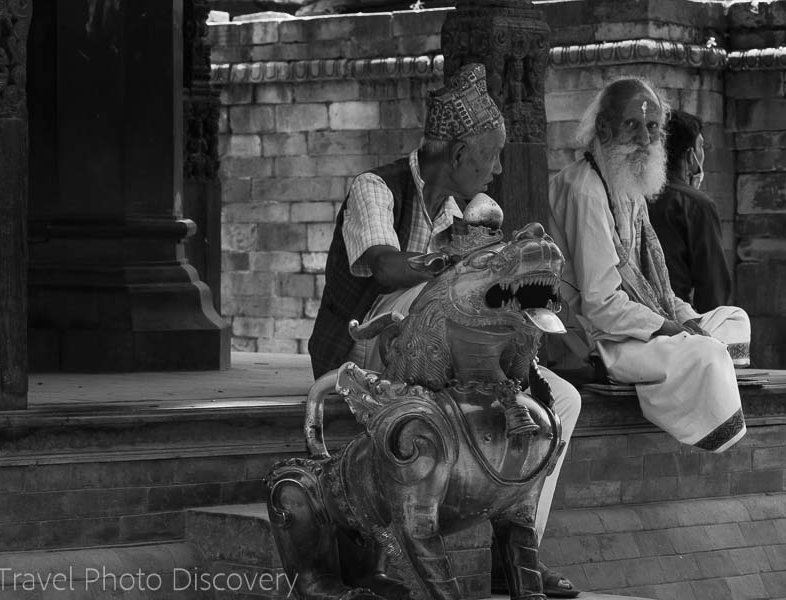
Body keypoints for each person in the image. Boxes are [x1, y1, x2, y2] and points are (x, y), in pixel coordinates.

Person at [308, 63, 581, 597]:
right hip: (364, 353)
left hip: (450, 359)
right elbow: (386, 268)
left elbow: (487, 300)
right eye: (491, 154)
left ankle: (518, 550)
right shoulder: (375, 188)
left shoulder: (478, 208)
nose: (499, 167)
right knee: (432, 301)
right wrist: (452, 265)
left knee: (562, 402)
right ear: (458, 156)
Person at [545, 78, 749, 454]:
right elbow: (600, 305)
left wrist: (686, 320)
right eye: (632, 125)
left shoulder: (628, 185)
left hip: (641, 325)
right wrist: (671, 330)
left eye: (653, 127)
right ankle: (678, 394)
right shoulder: (585, 188)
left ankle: (695, 365)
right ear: (603, 128)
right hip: (600, 341)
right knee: (706, 354)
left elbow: (659, 291)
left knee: (734, 322)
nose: (644, 137)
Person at [648, 110, 731, 313]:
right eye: (701, 146)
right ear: (689, 155)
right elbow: (712, 287)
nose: (704, 153)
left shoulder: (633, 198)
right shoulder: (695, 205)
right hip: (679, 325)